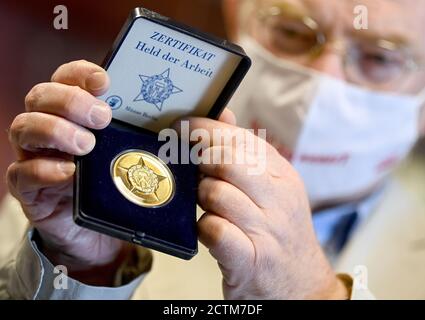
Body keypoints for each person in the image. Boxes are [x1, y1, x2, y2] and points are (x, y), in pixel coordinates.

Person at [1, 0, 425, 300]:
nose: (318, 87)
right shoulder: (80, 169)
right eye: (292, 32)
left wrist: (315, 295)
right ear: (236, 12)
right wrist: (84, 269)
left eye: (379, 58)